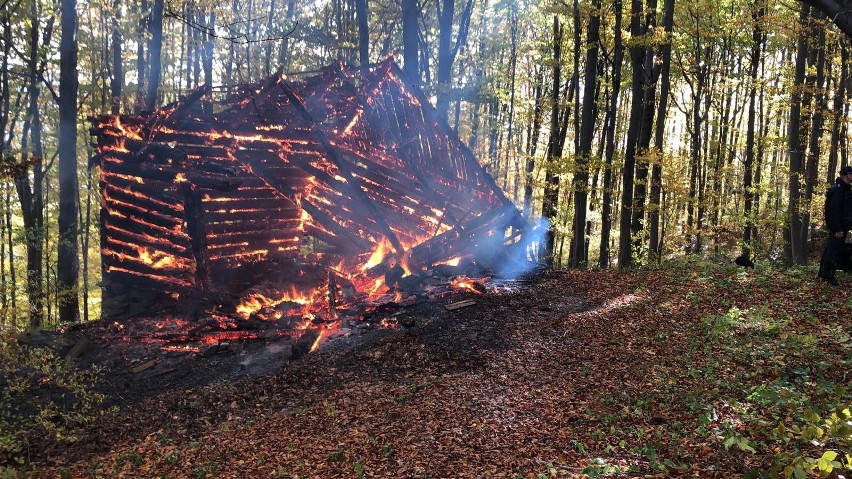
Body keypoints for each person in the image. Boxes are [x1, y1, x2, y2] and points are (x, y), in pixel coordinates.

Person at [818, 165, 852, 286]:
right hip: (838, 227)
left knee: (831, 249)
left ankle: (823, 274)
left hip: (842, 226)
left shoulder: (844, 188)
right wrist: (838, 228)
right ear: (847, 175)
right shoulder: (838, 189)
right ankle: (828, 277)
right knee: (834, 251)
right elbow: (835, 210)